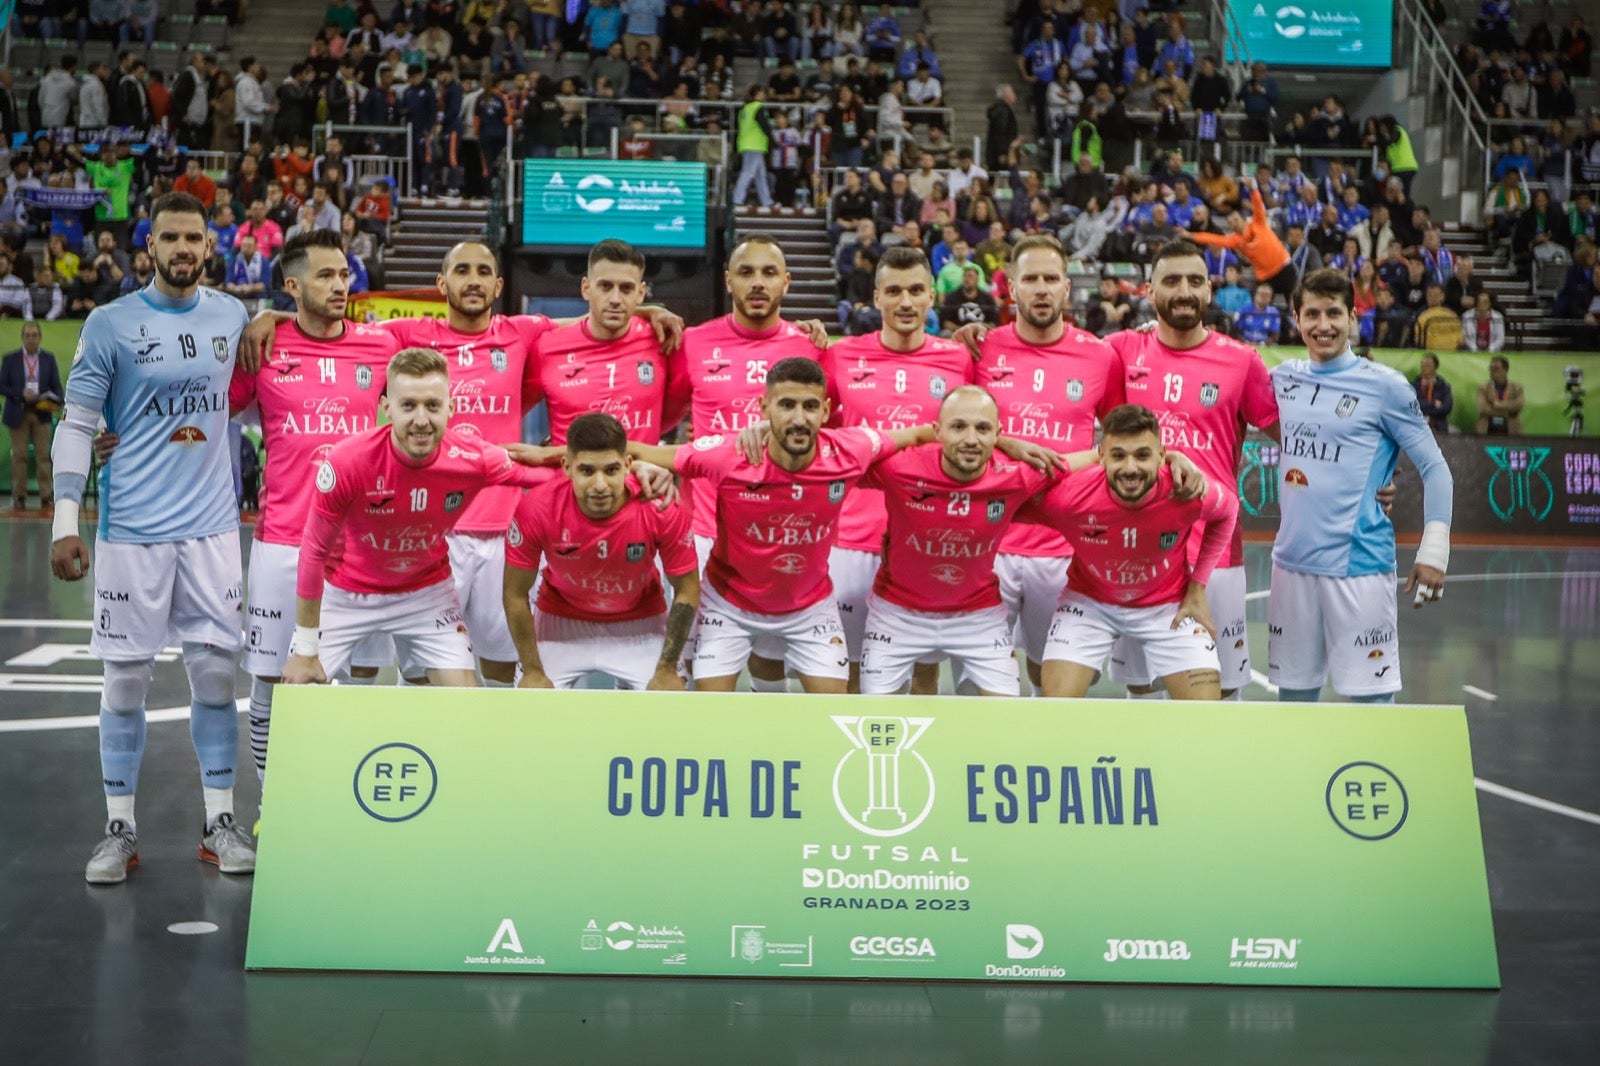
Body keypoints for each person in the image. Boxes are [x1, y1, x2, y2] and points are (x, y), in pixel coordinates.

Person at [48, 192, 253, 885]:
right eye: (170, 237)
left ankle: (219, 821)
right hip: (132, 532)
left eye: (194, 237)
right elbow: (77, 423)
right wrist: (65, 521)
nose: (183, 248)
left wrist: (279, 313)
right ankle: (119, 829)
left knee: (218, 676)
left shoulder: (232, 313)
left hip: (213, 530)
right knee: (126, 682)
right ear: (149, 246)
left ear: (209, 244)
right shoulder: (110, 324)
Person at [625, 357, 924, 693]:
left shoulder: (850, 449)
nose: (799, 418)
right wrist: (639, 469)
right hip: (729, 605)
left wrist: (997, 442)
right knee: (708, 706)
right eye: (786, 405)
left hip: (809, 607)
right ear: (764, 408)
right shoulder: (729, 454)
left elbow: (918, 433)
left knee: (834, 711)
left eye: (810, 406)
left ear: (825, 411)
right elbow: (634, 451)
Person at [225, 230, 398, 780]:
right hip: (285, 541)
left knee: (365, 680)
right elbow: (203, 412)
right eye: (326, 275)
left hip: (364, 546)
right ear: (291, 286)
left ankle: (349, 801)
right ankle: (272, 812)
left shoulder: (384, 347)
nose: (341, 284)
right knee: (272, 683)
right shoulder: (263, 348)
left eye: (345, 274)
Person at [282, 347, 550, 688]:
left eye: (432, 406)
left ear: (451, 408)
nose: (421, 420)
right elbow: (313, 551)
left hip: (426, 594)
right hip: (347, 594)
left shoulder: (473, 457)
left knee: (464, 705)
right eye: (408, 405)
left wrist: (636, 476)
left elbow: (554, 478)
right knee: (297, 690)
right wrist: (306, 649)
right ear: (386, 408)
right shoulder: (348, 461)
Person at [1108, 239, 1283, 699]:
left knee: (1222, 694)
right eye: (1171, 281)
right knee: (1142, 692)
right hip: (1135, 551)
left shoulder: (1243, 361)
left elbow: (1297, 439)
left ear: (1210, 291)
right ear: (1150, 291)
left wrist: (1370, 481)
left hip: (1217, 551)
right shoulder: (1120, 351)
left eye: (1194, 281)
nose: (1183, 290)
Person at [1268, 268, 1453, 703]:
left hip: (1360, 571)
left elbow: (1436, 469)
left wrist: (1434, 551)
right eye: (1312, 314)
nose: (1323, 325)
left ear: (1353, 318)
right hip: (1290, 568)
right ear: (1297, 319)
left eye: (1334, 313)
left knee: (1371, 709)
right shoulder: (1282, 379)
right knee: (1293, 705)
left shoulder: (1384, 386)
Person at [958, 235, 1126, 692]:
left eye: (1051, 279)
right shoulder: (979, 350)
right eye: (1029, 279)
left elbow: (1119, 442)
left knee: (1050, 677)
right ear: (1010, 288)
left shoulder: (1100, 355)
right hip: (989, 539)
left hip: (1063, 545)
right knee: (978, 683)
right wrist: (1006, 444)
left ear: (1067, 288)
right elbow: (955, 429)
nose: (1041, 289)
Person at [664, 235, 826, 689]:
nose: (758, 283)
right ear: (728, 280)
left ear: (787, 283)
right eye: (747, 272)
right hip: (702, 531)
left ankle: (767, 748)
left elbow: (827, 431)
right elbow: (668, 417)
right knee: (694, 663)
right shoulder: (694, 342)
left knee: (769, 661)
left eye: (769, 273)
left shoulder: (811, 346)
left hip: (778, 531)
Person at [822, 245, 977, 692]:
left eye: (915, 290)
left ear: (931, 295)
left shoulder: (960, 359)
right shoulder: (841, 355)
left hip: (929, 535)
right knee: (850, 669)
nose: (905, 302)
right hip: (853, 535)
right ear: (876, 298)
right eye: (894, 291)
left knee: (923, 671)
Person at [1034, 403, 1239, 701]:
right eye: (1118, 455)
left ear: (1161, 455)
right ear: (1101, 456)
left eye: (1142, 455)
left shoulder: (1186, 489)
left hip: (1168, 606)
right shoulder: (1069, 497)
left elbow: (1228, 510)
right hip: (1090, 605)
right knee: (1057, 706)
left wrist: (1197, 588)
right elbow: (1011, 501)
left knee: (1204, 713)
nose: (1130, 468)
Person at [502, 412, 697, 691]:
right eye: (587, 471)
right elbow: (514, 593)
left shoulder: (661, 507)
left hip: (641, 623)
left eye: (611, 470)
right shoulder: (536, 508)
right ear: (567, 467)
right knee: (533, 707)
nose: (600, 485)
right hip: (560, 623)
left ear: (628, 465)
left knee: (669, 706)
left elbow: (687, 589)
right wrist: (532, 670)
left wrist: (666, 667)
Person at [2, 322, 62, 509]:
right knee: (19, 456)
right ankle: (19, 497)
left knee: (43, 456)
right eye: (27, 335)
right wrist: (21, 393)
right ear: (22, 337)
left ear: (40, 337)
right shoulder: (10, 359)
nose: (31, 338)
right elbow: (2, 385)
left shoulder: (48, 359)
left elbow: (57, 387)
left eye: (34, 335)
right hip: (17, 411)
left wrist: (56, 401)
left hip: (41, 412)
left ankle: (46, 496)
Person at [732, 85, 774, 208]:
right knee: (748, 172)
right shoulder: (757, 107)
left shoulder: (745, 109)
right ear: (757, 94)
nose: (764, 95)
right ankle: (737, 199)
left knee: (760, 174)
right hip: (754, 144)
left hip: (747, 143)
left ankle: (766, 200)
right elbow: (764, 125)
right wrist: (773, 140)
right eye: (762, 93)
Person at [1475, 355, 1524, 435]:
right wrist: (1506, 412)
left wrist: (1499, 405)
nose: (1492, 371)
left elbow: (1519, 405)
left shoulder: (1517, 388)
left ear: (1506, 369)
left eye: (1496, 369)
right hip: (1487, 426)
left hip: (1511, 428)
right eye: (1491, 368)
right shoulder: (1483, 387)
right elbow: (1483, 408)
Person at [1412, 283, 1464, 351]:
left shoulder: (1451, 316)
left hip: (1451, 353)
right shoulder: (1420, 314)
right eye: (1429, 295)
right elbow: (1417, 339)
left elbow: (1460, 339)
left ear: (1442, 297)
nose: (1432, 298)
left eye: (1436, 295)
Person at [1412, 353, 1454, 433]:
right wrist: (1432, 403)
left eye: (1428, 365)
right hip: (1417, 427)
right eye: (1423, 365)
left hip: (1438, 425)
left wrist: (1425, 410)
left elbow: (1447, 408)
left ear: (1435, 367)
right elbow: (1412, 406)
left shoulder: (1443, 386)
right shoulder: (1414, 386)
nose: (1424, 368)